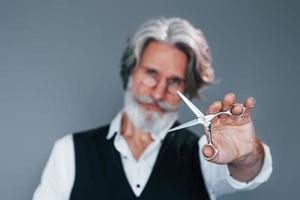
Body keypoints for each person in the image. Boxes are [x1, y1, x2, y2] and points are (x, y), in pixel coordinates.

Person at [33, 17, 272, 200]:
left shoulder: (204, 153)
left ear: (186, 89)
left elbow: (245, 173)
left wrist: (247, 155)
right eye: (151, 74)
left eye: (174, 81)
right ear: (130, 71)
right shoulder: (69, 152)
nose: (158, 93)